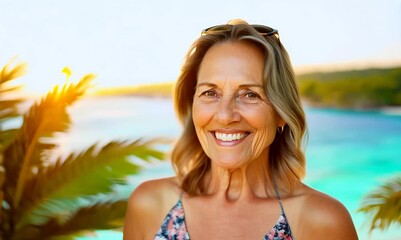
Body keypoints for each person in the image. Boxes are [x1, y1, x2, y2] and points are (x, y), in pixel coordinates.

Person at [123, 19, 359, 240]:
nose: (225, 116)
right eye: (210, 93)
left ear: (280, 113)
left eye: (250, 94)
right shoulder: (149, 205)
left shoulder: (322, 221)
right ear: (192, 103)